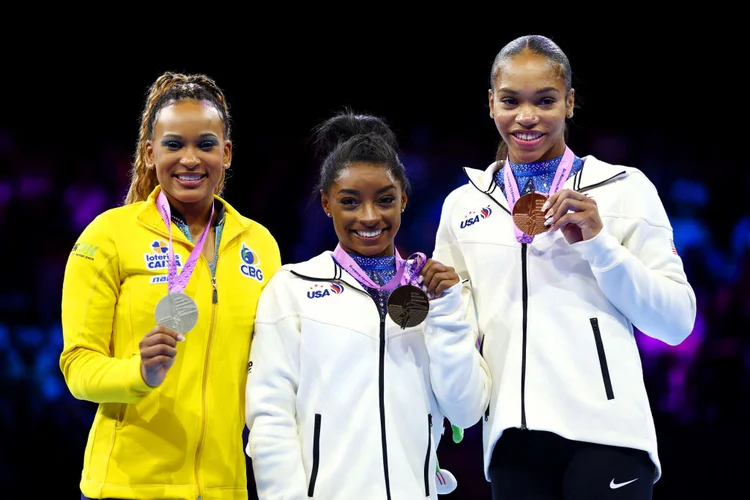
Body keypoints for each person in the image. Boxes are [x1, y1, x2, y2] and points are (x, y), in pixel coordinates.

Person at [432, 35, 697, 500]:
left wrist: (601, 245)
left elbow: (676, 322)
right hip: (514, 439)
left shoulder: (623, 189)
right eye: (511, 101)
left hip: (609, 433)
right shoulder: (462, 206)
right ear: (491, 103)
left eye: (546, 100)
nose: (527, 117)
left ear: (570, 102)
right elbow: (457, 330)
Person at [245, 110, 491, 499]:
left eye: (385, 200)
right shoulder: (291, 288)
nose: (369, 216)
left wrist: (445, 313)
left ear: (403, 200)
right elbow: (270, 417)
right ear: (327, 204)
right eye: (350, 202)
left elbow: (465, 411)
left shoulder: (437, 290)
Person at [59, 71, 282, 500]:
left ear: (228, 152)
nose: (190, 159)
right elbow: (78, 366)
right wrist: (138, 373)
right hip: (127, 488)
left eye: (206, 144)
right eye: (173, 144)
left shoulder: (260, 245)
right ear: (149, 153)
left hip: (224, 487)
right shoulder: (108, 236)